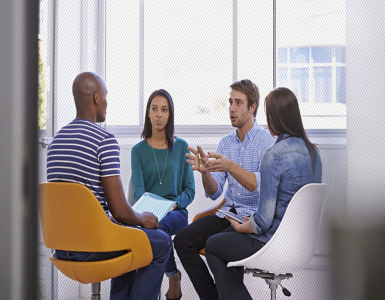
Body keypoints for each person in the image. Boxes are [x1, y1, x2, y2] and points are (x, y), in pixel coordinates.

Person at [46, 72, 172, 300]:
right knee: (161, 243)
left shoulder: (55, 142)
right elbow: (120, 212)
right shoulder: (104, 140)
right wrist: (143, 218)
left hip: (62, 248)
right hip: (94, 246)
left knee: (128, 240)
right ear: (96, 98)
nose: (106, 102)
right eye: (105, 96)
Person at [204, 87, 323, 300]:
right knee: (223, 238)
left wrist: (244, 226)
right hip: (300, 244)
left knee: (212, 245)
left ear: (275, 117)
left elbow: (263, 222)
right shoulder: (314, 153)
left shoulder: (273, 155)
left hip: (271, 241)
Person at [173, 79, 275, 300]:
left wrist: (230, 166)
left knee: (217, 246)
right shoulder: (226, 143)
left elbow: (258, 185)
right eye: (230, 102)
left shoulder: (267, 142)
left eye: (238, 102)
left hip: (251, 219)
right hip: (227, 213)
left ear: (252, 107)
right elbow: (214, 192)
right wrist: (205, 172)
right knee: (182, 240)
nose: (231, 108)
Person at [131, 89, 195, 300]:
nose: (159, 114)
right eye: (154, 109)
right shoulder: (138, 151)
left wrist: (174, 204)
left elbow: (190, 191)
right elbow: (139, 191)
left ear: (170, 115)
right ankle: (169, 278)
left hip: (176, 214)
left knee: (161, 226)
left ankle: (171, 277)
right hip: (148, 212)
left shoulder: (182, 147)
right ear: (148, 113)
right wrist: (149, 210)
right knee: (155, 226)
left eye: (164, 110)